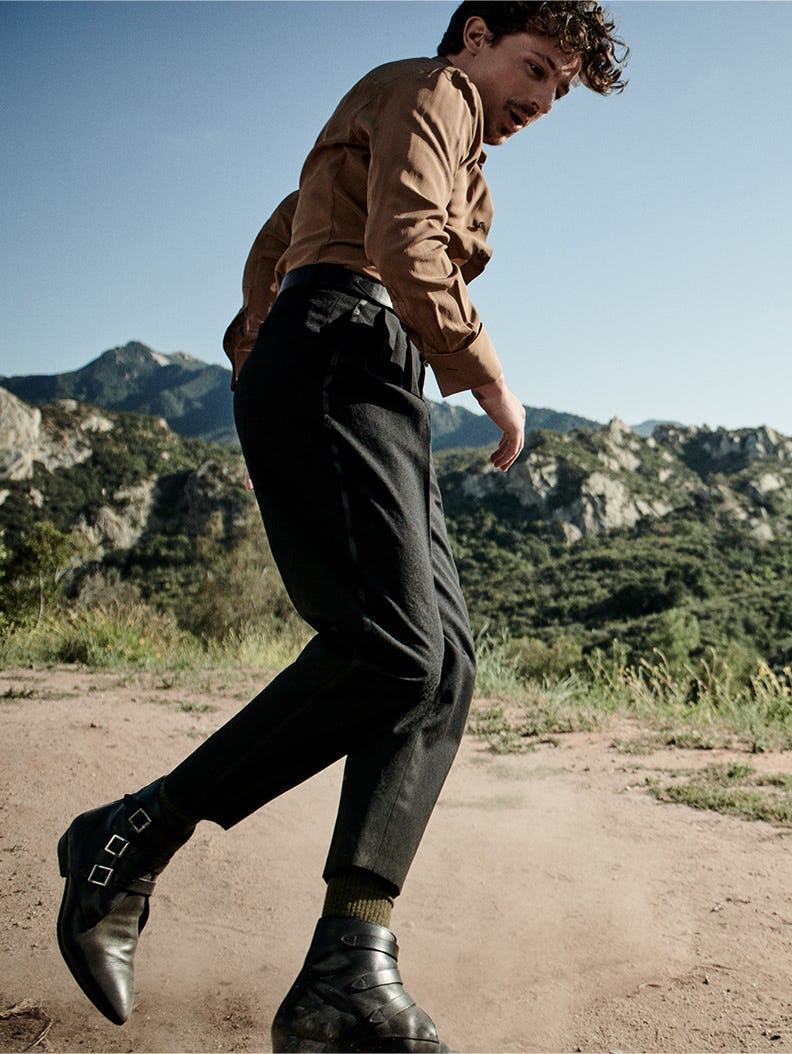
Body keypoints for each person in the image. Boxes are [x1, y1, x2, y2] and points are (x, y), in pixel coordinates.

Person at [56, 3, 627, 1050]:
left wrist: (262, 345)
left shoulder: (423, 122)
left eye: (559, 92)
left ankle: (347, 965)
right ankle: (128, 836)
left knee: (444, 663)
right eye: (535, 69)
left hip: (359, 359)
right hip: (349, 345)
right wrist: (486, 377)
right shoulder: (431, 86)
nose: (542, 102)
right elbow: (401, 239)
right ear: (475, 35)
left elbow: (279, 234)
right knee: (396, 650)